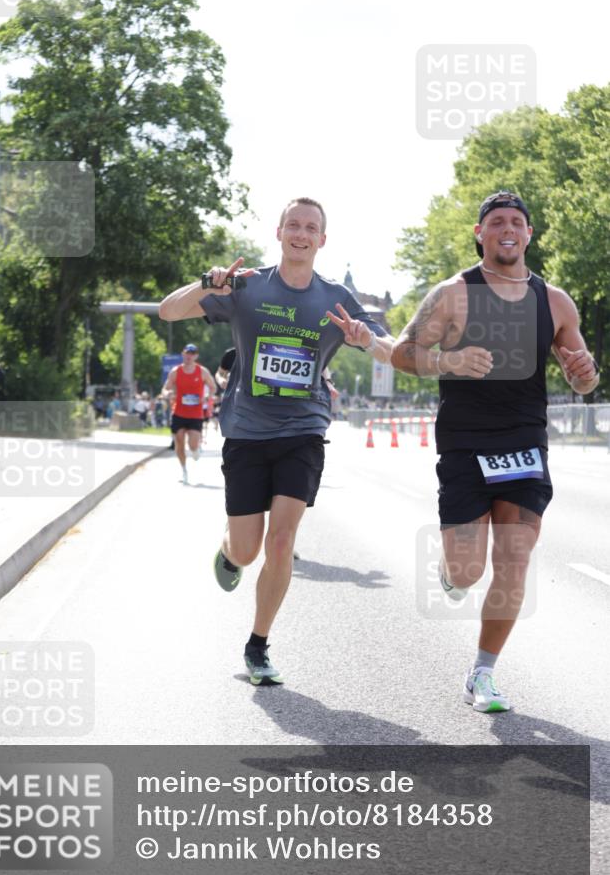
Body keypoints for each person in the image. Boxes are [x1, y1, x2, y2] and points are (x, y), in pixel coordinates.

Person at [160, 197, 393, 685]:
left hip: (303, 431)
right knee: (247, 550)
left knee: (282, 540)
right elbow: (168, 310)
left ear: (322, 240)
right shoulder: (246, 286)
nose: (301, 233)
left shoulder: (334, 298)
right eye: (294, 225)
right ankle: (229, 552)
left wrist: (365, 340)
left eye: (311, 227)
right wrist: (209, 282)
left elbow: (390, 350)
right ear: (279, 231)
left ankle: (258, 645)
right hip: (245, 430)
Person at [391, 190, 600, 713]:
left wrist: (585, 375)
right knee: (467, 571)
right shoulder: (454, 294)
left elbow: (583, 377)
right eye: (497, 222)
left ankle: (482, 672)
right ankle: (450, 571)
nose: (508, 229)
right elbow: (402, 353)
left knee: (515, 558)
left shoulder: (554, 301)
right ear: (481, 234)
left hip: (524, 442)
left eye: (517, 222)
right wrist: (452, 361)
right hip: (465, 444)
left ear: (529, 234)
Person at [162, 344, 216, 484]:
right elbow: (165, 388)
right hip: (178, 412)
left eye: (192, 354)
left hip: (195, 414)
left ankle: (196, 448)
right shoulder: (175, 371)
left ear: (196, 356)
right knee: (179, 441)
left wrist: (207, 397)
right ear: (183, 354)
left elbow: (213, 387)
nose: (189, 356)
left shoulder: (202, 371)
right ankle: (184, 470)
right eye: (187, 353)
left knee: (192, 445)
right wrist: (167, 393)